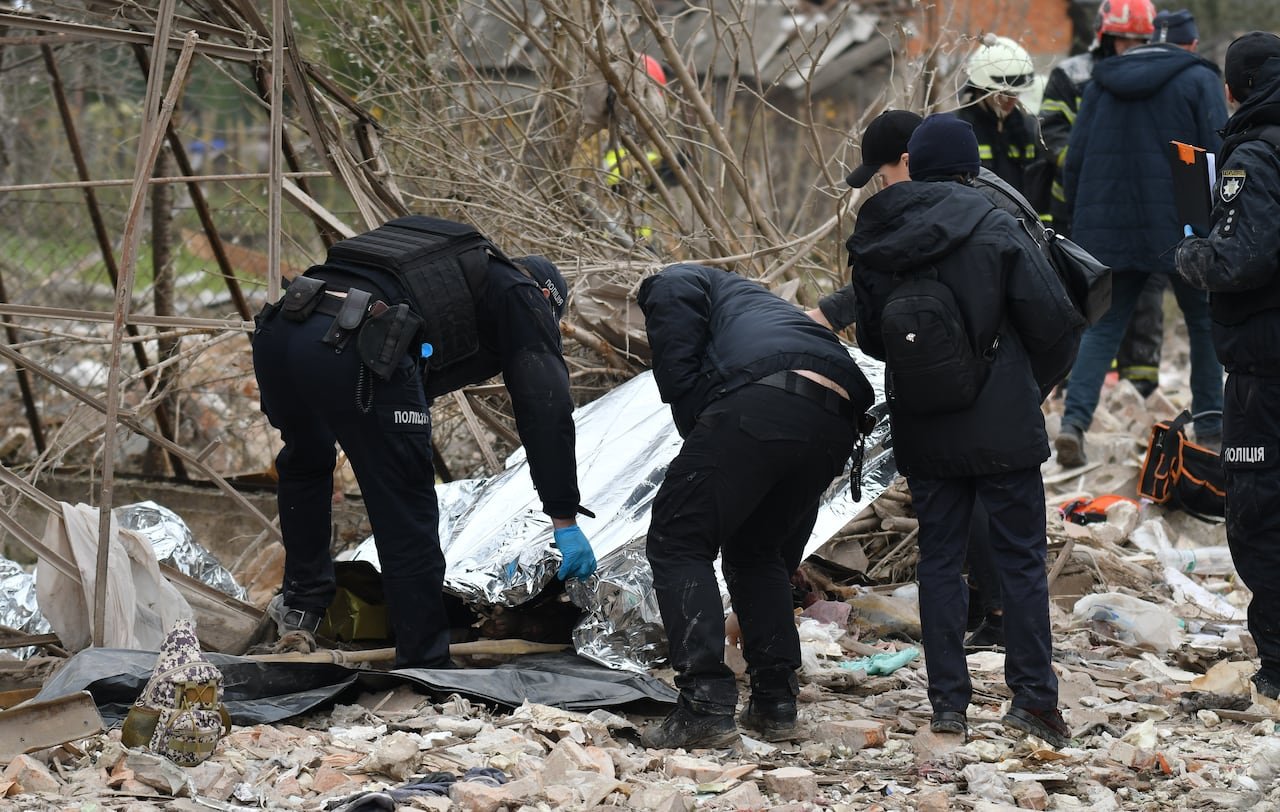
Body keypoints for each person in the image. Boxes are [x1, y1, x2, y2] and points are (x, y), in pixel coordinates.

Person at [252, 224, 596, 670]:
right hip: (358, 340)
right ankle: (424, 662)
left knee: (305, 464)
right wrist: (564, 517)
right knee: (405, 504)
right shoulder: (523, 294)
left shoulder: (454, 268)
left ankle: (300, 615)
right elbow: (545, 406)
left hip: (281, 333)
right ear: (546, 300)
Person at [845, 113, 1079, 747]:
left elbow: (872, 337)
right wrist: (1029, 388)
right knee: (1021, 562)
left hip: (925, 422)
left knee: (940, 565)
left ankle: (948, 704)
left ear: (913, 164)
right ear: (973, 168)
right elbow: (1056, 322)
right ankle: (1033, 701)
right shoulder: (999, 226)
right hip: (1004, 423)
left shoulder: (874, 235)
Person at [635, 262, 874, 749]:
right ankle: (774, 703)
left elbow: (677, 380)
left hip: (764, 396)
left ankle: (704, 705)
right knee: (758, 553)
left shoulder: (673, 281)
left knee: (679, 540)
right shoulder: (762, 307)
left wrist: (706, 448)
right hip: (838, 417)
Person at [1055, 4, 1226, 467]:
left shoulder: (1099, 84)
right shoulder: (1200, 78)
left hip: (1111, 227)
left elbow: (1075, 160)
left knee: (1105, 326)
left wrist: (1078, 219)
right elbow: (1219, 150)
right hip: (1185, 226)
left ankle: (1073, 423)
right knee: (1205, 324)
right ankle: (1211, 423)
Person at [1176, 31, 1280, 699]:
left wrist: (1189, 254)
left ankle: (1276, 665)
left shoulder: (1255, 154)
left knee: (1259, 508)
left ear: (1234, 87)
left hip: (1265, 367)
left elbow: (1238, 258)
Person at [1040, 0, 1171, 399]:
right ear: (1105, 35)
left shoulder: (1162, 78)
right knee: (1085, 288)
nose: (1130, 48)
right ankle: (1084, 380)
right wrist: (1083, 166)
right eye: (1123, 40)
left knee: (1147, 290)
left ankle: (1142, 383)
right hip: (1082, 204)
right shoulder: (1073, 74)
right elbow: (1050, 130)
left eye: (1138, 40)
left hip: (1142, 202)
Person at [956, 34, 1052, 217]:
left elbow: (1039, 194)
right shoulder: (960, 131)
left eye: (1016, 92)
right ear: (981, 90)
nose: (1012, 99)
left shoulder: (1029, 130)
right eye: (1004, 93)